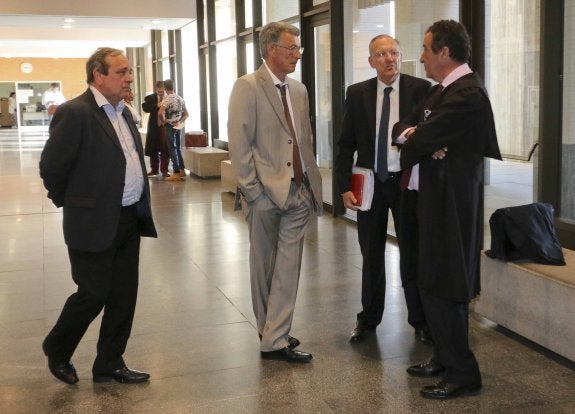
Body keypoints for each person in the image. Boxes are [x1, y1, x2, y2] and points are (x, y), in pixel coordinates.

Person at [393, 20, 501, 399]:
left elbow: (422, 137)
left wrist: (422, 138)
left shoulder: (467, 92)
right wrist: (418, 137)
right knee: (431, 281)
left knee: (446, 284)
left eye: (425, 49)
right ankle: (443, 355)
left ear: (444, 52)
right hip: (432, 200)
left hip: (452, 205)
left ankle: (462, 372)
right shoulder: (441, 91)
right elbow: (403, 128)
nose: (420, 57)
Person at [39, 47, 157, 385]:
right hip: (92, 223)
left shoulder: (124, 112)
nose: (129, 78)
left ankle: (109, 362)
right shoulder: (75, 112)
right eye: (121, 72)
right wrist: (75, 202)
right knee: (92, 293)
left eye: (129, 71)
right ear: (98, 75)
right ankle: (57, 347)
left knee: (123, 295)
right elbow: (52, 167)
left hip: (129, 218)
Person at [228, 21, 323, 363]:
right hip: (265, 193)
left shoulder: (298, 90)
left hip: (299, 192)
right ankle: (269, 331)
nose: (298, 54)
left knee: (288, 268)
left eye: (298, 48)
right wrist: (253, 191)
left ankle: (276, 336)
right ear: (272, 50)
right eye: (292, 48)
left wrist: (312, 185)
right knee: (264, 268)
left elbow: (304, 140)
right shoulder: (248, 86)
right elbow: (240, 143)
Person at [335, 35, 432, 343]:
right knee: (372, 254)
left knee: (412, 255)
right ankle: (368, 320)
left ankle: (420, 322)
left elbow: (428, 137)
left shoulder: (421, 90)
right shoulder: (357, 93)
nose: (389, 58)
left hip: (406, 184)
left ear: (401, 56)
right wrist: (343, 187)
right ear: (371, 61)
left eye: (394, 52)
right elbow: (345, 145)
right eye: (381, 54)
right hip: (370, 185)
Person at [159, 79, 188, 181]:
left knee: (172, 148)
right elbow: (186, 114)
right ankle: (181, 170)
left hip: (170, 126)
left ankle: (175, 172)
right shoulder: (180, 98)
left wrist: (164, 121)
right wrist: (179, 121)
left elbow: (159, 113)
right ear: (173, 87)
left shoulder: (167, 99)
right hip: (178, 126)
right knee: (178, 148)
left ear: (165, 88)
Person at [142, 81, 170, 177]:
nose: (160, 93)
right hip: (154, 126)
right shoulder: (151, 98)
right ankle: (154, 170)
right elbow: (145, 108)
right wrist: (156, 106)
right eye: (158, 92)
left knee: (165, 148)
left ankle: (164, 170)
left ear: (165, 89)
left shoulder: (170, 98)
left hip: (165, 126)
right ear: (155, 90)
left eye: (162, 91)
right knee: (153, 147)